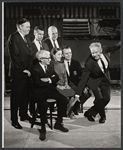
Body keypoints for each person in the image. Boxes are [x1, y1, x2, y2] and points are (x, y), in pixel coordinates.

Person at [74, 41, 121, 123]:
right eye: (92, 53)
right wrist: (78, 94)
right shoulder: (89, 63)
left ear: (101, 50)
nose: (94, 55)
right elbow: (84, 79)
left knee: (106, 99)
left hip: (105, 79)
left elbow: (115, 47)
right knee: (99, 99)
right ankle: (103, 117)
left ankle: (90, 112)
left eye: (96, 52)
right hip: (94, 81)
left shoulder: (106, 50)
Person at [31, 50, 69, 141]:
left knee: (64, 100)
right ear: (41, 59)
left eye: (49, 57)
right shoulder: (35, 69)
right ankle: (43, 129)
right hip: (39, 92)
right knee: (43, 105)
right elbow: (38, 84)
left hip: (50, 90)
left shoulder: (50, 66)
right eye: (47, 58)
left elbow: (56, 78)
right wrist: (50, 80)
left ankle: (58, 123)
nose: (49, 59)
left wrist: (48, 79)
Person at [8, 18, 33, 129]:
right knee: (16, 98)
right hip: (19, 74)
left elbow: (29, 55)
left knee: (25, 96)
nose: (29, 29)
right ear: (19, 27)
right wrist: (23, 70)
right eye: (27, 26)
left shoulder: (26, 38)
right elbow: (15, 56)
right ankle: (14, 120)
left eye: (29, 26)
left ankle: (23, 115)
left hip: (27, 73)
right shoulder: (14, 37)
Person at [62, 46, 91, 115]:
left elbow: (82, 76)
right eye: (66, 53)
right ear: (62, 55)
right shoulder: (60, 63)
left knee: (87, 94)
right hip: (65, 84)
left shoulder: (76, 63)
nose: (69, 55)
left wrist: (85, 86)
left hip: (75, 84)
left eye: (70, 53)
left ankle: (76, 106)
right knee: (75, 93)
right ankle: (71, 109)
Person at [51, 47, 76, 119]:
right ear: (53, 55)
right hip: (55, 86)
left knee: (74, 95)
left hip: (63, 85)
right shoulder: (51, 65)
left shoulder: (62, 64)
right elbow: (51, 79)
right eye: (58, 54)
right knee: (65, 98)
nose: (61, 56)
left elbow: (65, 76)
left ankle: (67, 112)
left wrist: (66, 84)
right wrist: (58, 86)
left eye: (61, 54)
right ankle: (64, 113)